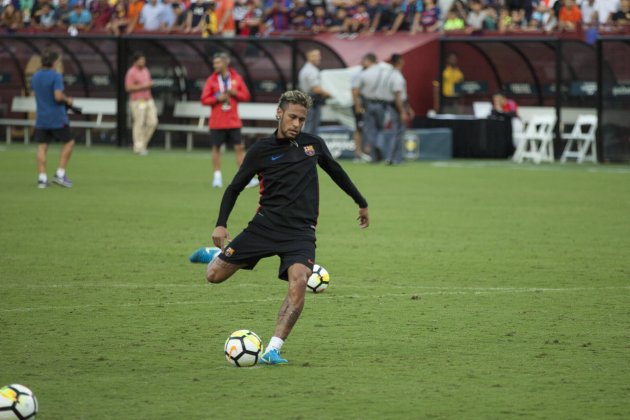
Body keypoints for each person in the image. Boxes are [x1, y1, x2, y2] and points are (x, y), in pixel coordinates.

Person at [205, 90, 369, 365]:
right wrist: (221, 224)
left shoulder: (312, 144)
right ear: (279, 114)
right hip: (264, 227)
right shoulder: (260, 151)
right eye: (292, 117)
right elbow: (234, 188)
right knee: (214, 276)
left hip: (300, 232)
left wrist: (361, 202)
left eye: (302, 119)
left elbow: (337, 171)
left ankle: (273, 349)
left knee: (300, 282)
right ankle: (212, 254)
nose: (296, 124)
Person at [200, 52, 256, 188]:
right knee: (216, 148)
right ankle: (217, 177)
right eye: (214, 63)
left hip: (233, 120)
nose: (215, 65)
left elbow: (246, 96)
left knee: (239, 148)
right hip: (217, 121)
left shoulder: (237, 78)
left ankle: (245, 178)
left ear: (226, 63)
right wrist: (216, 99)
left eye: (218, 63)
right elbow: (204, 99)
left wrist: (235, 93)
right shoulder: (211, 80)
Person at [31, 50, 75, 189]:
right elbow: (57, 96)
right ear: (54, 62)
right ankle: (60, 174)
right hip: (56, 117)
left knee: (42, 146)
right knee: (69, 143)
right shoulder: (56, 76)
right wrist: (68, 100)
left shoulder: (36, 76)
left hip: (42, 117)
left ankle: (42, 179)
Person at [352, 52, 387, 162]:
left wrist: (358, 106)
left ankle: (373, 155)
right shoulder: (384, 73)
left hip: (368, 104)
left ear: (369, 61)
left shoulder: (363, 74)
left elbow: (356, 91)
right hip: (382, 104)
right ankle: (379, 145)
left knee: (371, 130)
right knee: (381, 128)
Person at [124, 51, 158, 155]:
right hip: (138, 101)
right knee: (139, 123)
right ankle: (138, 147)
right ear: (135, 61)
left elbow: (149, 84)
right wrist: (145, 86)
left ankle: (142, 144)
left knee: (153, 122)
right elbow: (128, 88)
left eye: (144, 60)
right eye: (141, 60)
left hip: (148, 100)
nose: (143, 62)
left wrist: (149, 85)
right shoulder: (131, 72)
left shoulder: (146, 70)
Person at [384, 53, 414, 165]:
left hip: (394, 105)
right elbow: (398, 95)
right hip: (396, 106)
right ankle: (393, 158)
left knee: (397, 132)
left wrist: (408, 108)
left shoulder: (390, 74)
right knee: (397, 133)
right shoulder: (396, 76)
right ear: (400, 61)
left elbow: (402, 96)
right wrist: (402, 111)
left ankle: (394, 158)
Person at [298, 48, 331, 136]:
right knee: (310, 127)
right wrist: (330, 94)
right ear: (309, 57)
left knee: (312, 126)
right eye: (316, 56)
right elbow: (316, 88)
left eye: (319, 55)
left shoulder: (310, 69)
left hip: (311, 100)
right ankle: (305, 147)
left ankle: (309, 147)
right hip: (311, 100)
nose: (319, 58)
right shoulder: (310, 70)